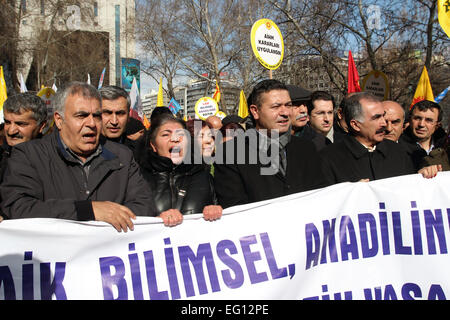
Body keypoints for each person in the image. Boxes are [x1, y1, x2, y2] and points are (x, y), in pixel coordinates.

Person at [0, 82, 156, 232]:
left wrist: (110, 218)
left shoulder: (122, 156)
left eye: (96, 116)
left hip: (109, 256)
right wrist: (88, 210)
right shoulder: (29, 155)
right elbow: (18, 207)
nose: (91, 123)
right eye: (81, 116)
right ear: (59, 120)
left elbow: (145, 206)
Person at [214, 79, 327, 208]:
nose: (285, 113)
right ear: (255, 111)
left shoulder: (307, 148)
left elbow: (321, 196)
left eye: (288, 105)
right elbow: (235, 208)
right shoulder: (230, 153)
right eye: (276, 107)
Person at [320, 92, 438, 185]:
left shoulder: (399, 152)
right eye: (376, 118)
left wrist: (420, 178)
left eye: (383, 116)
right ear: (355, 124)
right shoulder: (329, 158)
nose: (384, 124)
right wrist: (350, 193)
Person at [136, 114, 222, 227]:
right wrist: (155, 223)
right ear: (153, 145)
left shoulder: (204, 177)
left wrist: (216, 210)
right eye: (166, 134)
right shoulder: (137, 180)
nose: (175, 139)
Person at [0, 93, 48, 182]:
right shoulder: (2, 156)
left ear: (41, 126)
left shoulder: (53, 161)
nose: (11, 131)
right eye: (7, 122)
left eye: (20, 124)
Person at [399, 100, 448, 170]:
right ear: (410, 120)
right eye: (417, 118)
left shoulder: (446, 148)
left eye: (428, 120)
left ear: (438, 125)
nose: (421, 124)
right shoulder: (397, 147)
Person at [286, 84, 328, 150]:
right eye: (296, 105)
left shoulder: (319, 142)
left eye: (305, 105)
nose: (303, 110)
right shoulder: (270, 140)